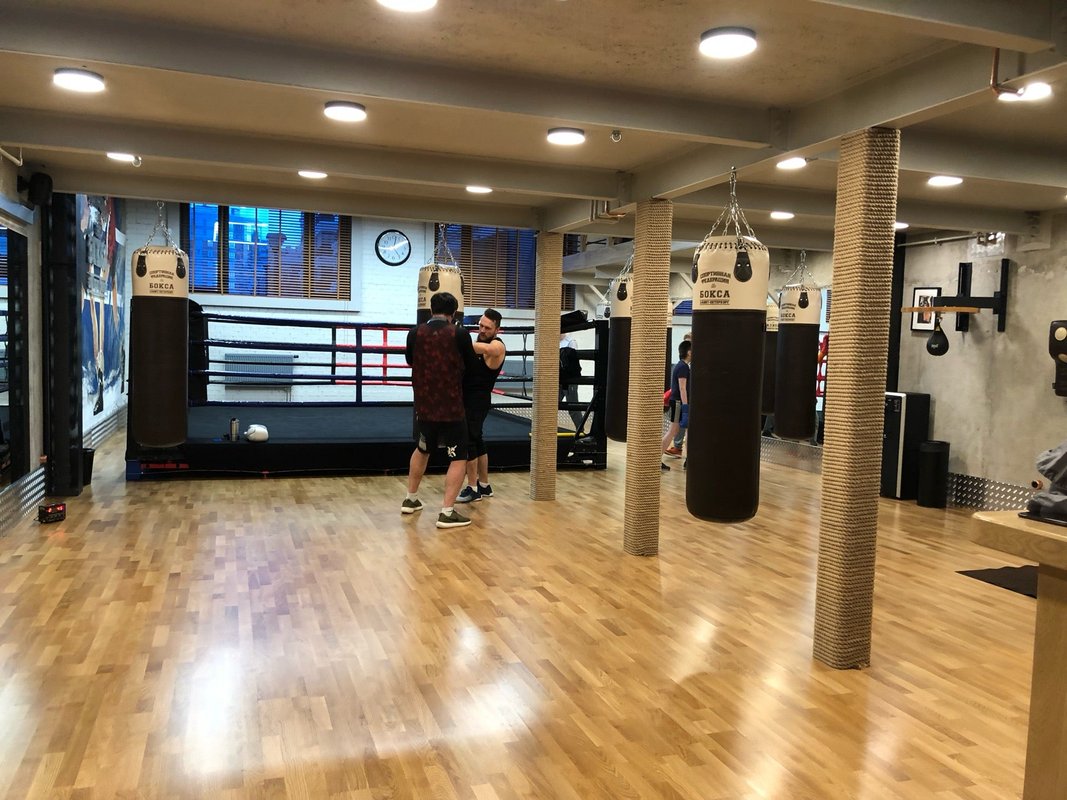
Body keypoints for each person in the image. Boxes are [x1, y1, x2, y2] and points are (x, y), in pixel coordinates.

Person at [402, 291, 477, 528]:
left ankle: (410, 499)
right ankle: (446, 512)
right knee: (459, 457)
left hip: (424, 405)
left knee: (422, 449)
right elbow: (471, 365)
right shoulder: (459, 333)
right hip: (452, 406)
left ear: (430, 309)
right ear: (454, 313)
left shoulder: (415, 333)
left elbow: (410, 361)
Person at [456, 309, 506, 504]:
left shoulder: (497, 346)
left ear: (497, 330)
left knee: (469, 440)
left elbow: (490, 350)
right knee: (478, 440)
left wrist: (458, 342)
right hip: (468, 398)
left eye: (487, 327)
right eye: (481, 325)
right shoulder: (478, 341)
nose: (482, 330)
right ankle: (484, 485)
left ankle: (473, 488)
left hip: (478, 400)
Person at [663, 340, 691, 458]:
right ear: (689, 352)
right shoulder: (683, 367)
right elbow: (682, 388)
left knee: (676, 431)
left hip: (678, 402)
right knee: (673, 431)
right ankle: (655, 459)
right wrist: (685, 407)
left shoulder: (682, 366)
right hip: (678, 403)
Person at [559, 332, 584, 431]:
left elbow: (573, 363)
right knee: (552, 404)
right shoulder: (554, 342)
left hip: (569, 379)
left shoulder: (571, 342)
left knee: (573, 407)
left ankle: (580, 431)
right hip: (558, 378)